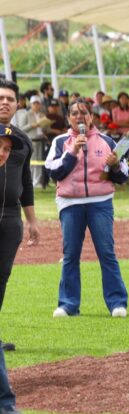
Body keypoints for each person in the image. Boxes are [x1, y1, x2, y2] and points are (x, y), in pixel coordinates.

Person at [44, 99, 129, 318]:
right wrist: (72, 151)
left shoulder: (107, 141)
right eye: (74, 113)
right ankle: (68, 304)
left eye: (84, 112)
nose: (79, 116)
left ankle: (117, 302)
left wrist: (115, 165)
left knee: (106, 253)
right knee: (70, 254)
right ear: (68, 118)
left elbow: (123, 176)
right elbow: (53, 172)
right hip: (70, 203)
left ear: (91, 116)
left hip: (101, 203)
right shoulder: (60, 141)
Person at [0, 80, 40, 353]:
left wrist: (32, 221)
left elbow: (25, 182)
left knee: (1, 276)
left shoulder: (22, 140)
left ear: (18, 105)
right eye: (0, 97)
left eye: (10, 99)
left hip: (11, 217)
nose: (4, 102)